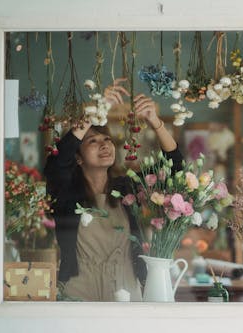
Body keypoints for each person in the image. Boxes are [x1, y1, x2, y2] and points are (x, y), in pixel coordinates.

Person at [44, 83, 182, 301]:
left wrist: (155, 123)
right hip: (79, 291)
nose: (105, 145)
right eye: (93, 141)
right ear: (77, 157)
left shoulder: (127, 188)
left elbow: (174, 171)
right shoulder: (66, 193)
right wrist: (97, 111)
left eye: (107, 139)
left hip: (127, 290)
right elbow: (58, 161)